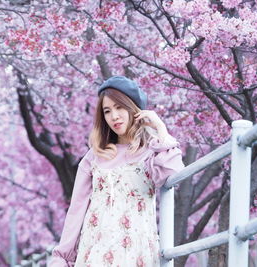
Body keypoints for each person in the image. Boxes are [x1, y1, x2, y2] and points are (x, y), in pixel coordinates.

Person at [48, 76, 184, 266]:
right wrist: (62, 257)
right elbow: (77, 208)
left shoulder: (152, 150)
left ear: (133, 108)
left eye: (119, 107)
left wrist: (160, 128)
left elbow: (173, 173)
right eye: (107, 111)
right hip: (94, 252)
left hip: (136, 252)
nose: (114, 116)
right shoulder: (94, 157)